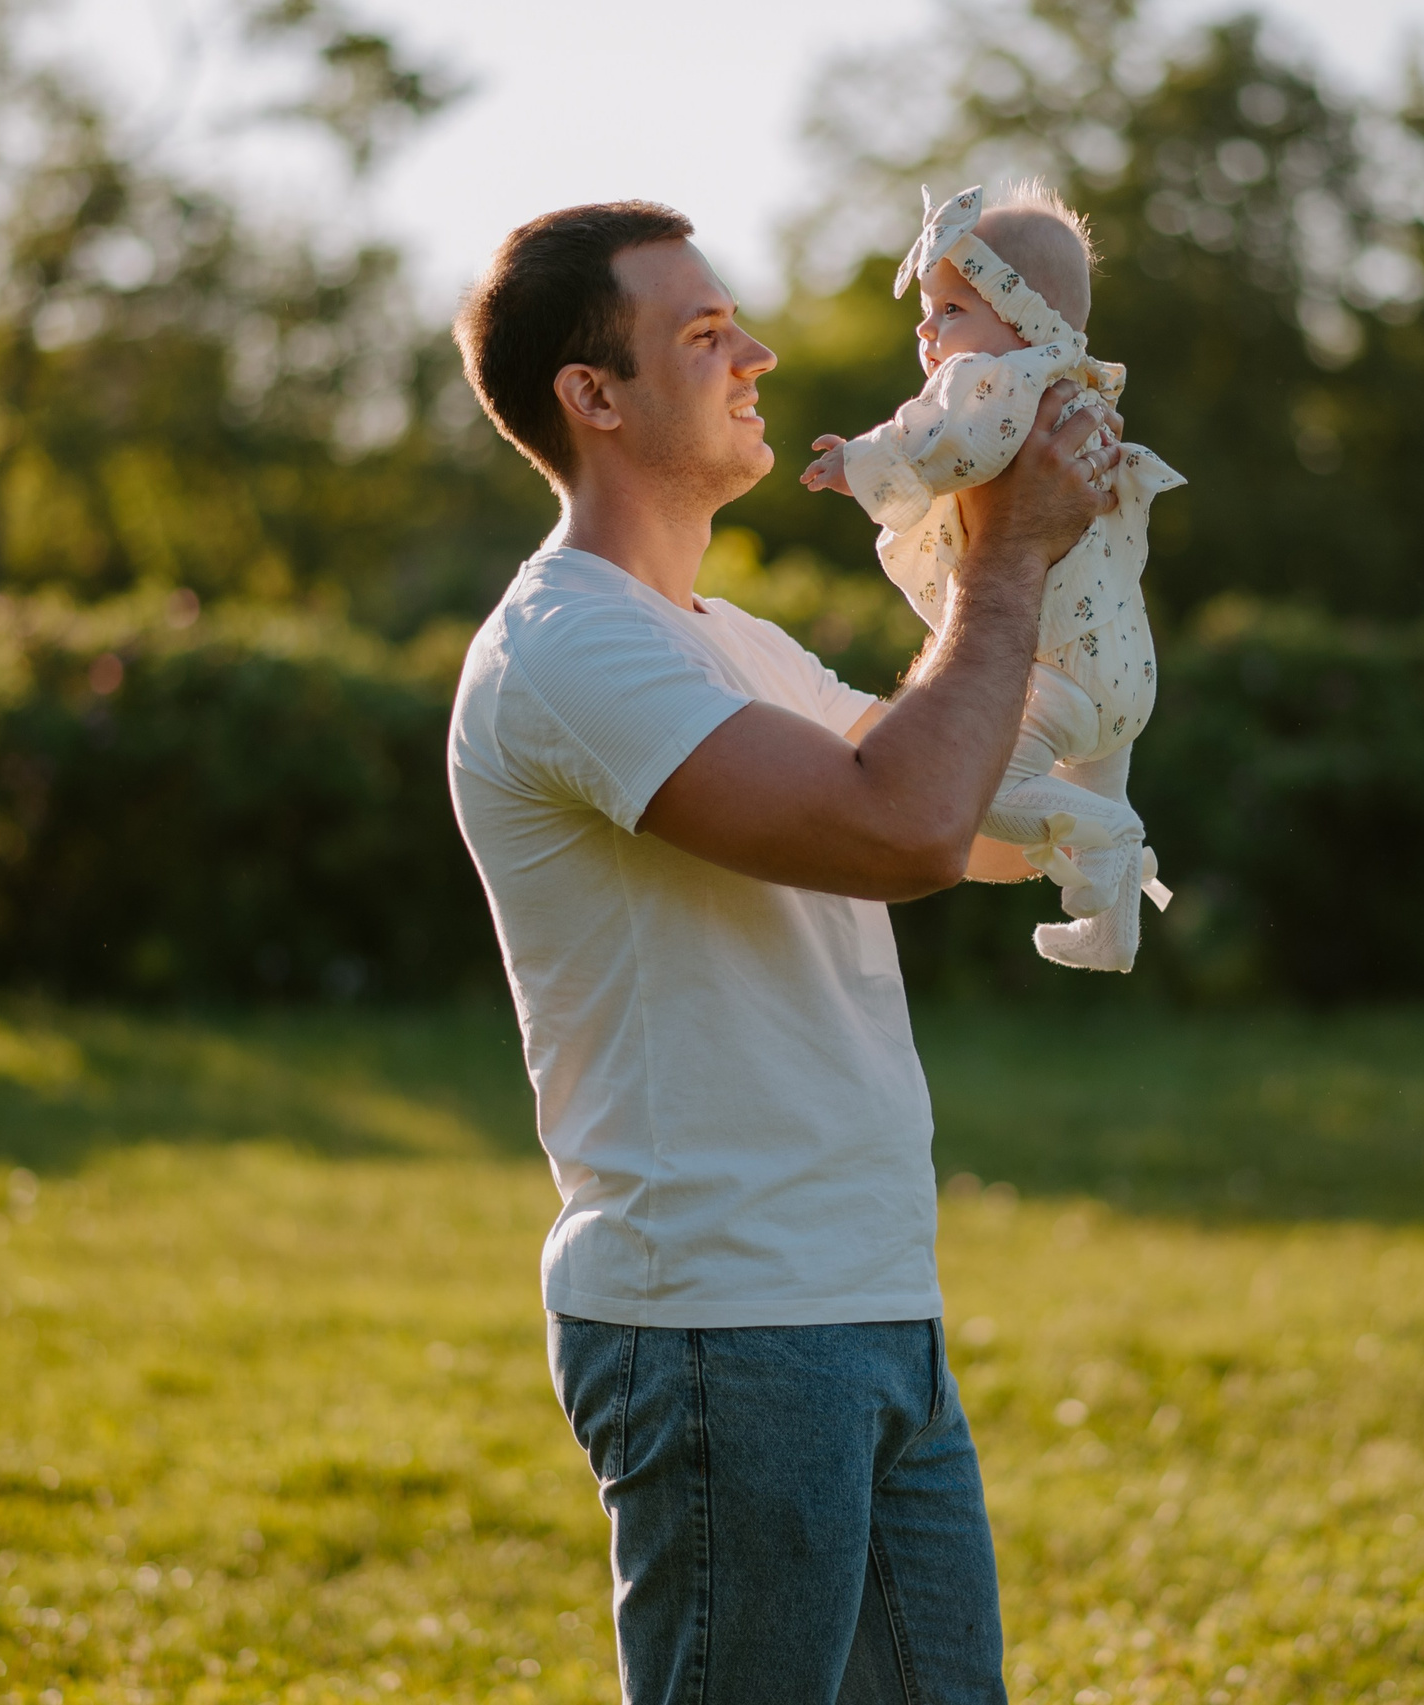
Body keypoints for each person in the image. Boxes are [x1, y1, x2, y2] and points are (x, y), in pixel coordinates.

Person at [444, 200, 1121, 1705]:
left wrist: (1083, 595)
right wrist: (1005, 562)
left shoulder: (733, 640)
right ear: (593, 395)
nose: (757, 351)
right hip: (724, 1336)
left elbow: (988, 823)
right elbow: (899, 833)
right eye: (703, 333)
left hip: (868, 1301)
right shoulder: (569, 646)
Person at [800, 181, 1184, 973]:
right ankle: (1112, 935)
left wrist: (861, 463)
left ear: (1027, 319)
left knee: (987, 785)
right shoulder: (1071, 395)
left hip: (1061, 668)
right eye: (929, 312)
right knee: (1103, 785)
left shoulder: (1000, 385)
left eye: (951, 310)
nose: (927, 330)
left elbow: (954, 447)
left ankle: (1105, 835)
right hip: (1120, 659)